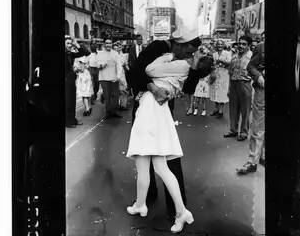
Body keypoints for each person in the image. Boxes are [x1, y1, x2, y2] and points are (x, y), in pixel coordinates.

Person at [127, 27, 214, 221]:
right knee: (153, 157)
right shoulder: (158, 47)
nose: (189, 56)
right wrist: (152, 87)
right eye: (188, 51)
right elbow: (137, 71)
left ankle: (172, 206)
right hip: (148, 102)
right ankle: (148, 198)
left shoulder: (184, 61)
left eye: (192, 53)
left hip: (161, 106)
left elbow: (189, 87)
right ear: (179, 44)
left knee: (162, 157)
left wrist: (194, 65)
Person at [237, 34, 265, 174]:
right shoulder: (261, 47)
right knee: (258, 127)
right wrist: (258, 76)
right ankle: (252, 161)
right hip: (262, 91)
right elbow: (251, 66)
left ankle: (263, 156)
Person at [224, 34, 253, 141]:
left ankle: (244, 132)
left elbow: (255, 74)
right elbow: (230, 73)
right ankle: (233, 130)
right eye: (240, 43)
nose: (241, 46)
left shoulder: (251, 57)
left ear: (248, 46)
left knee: (245, 110)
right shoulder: (234, 57)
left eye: (244, 44)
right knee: (233, 109)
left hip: (245, 84)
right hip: (234, 84)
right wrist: (229, 88)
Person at [96, 36, 123, 118]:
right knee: (107, 96)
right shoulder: (100, 53)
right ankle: (108, 112)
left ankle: (115, 111)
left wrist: (118, 76)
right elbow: (97, 64)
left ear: (112, 44)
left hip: (114, 78)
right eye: (107, 43)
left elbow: (119, 65)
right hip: (104, 78)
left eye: (110, 43)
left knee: (115, 95)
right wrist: (102, 64)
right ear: (104, 44)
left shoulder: (115, 53)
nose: (108, 45)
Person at [209, 41, 233, 118]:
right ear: (216, 45)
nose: (219, 45)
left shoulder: (227, 53)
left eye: (221, 44)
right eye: (218, 44)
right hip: (216, 74)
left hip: (224, 74)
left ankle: (221, 111)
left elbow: (229, 63)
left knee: (222, 92)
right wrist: (213, 66)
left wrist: (220, 61)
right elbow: (213, 63)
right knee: (215, 91)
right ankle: (216, 109)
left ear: (223, 45)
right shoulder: (214, 54)